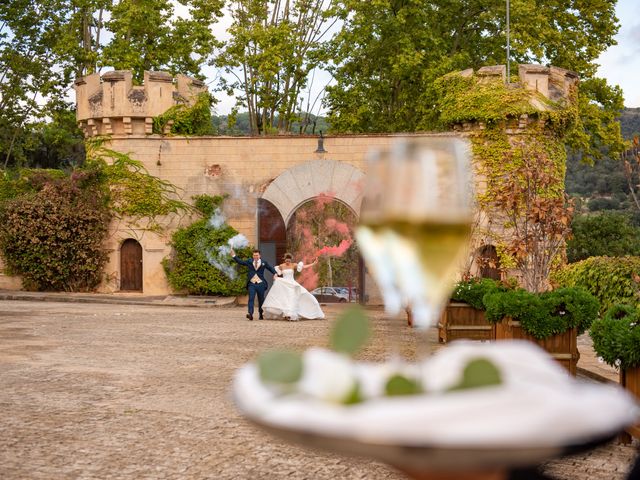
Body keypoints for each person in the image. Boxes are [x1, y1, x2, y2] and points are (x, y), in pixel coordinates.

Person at [262, 253, 325, 321]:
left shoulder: (293, 265)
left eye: (289, 261)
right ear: (285, 260)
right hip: (284, 284)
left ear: (290, 260)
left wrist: (313, 264)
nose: (288, 262)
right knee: (285, 299)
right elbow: (276, 272)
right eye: (286, 261)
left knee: (295, 297)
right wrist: (275, 276)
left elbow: (303, 267)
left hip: (292, 284)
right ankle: (286, 314)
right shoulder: (281, 266)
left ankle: (290, 314)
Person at [231, 248, 278, 321]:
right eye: (254, 255)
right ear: (252, 256)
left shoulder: (264, 262)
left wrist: (275, 274)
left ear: (260, 255)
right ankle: (250, 314)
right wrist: (234, 255)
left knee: (261, 300)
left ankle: (261, 314)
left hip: (261, 284)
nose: (255, 257)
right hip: (251, 284)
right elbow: (240, 262)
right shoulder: (249, 261)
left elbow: (270, 268)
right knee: (251, 298)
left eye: (257, 255)